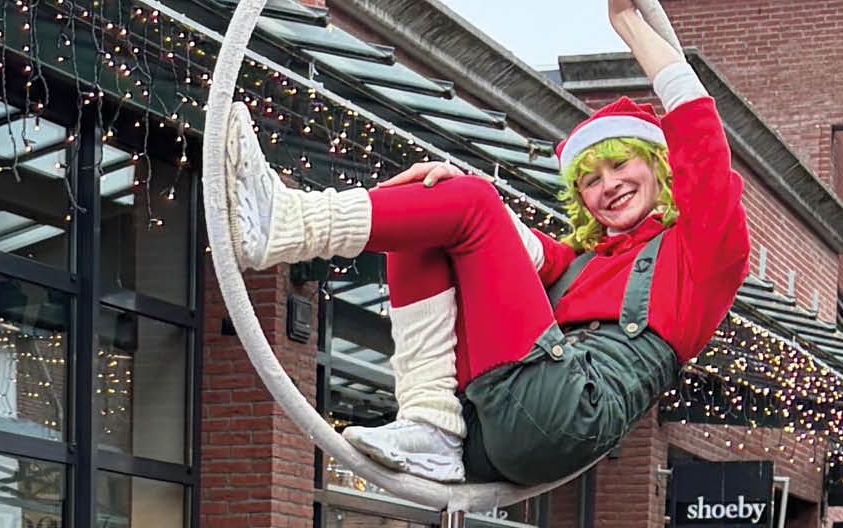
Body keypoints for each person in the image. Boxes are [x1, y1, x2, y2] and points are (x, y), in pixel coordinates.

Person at [220, 0, 749, 485]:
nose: (608, 186)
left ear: (658, 164)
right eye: (590, 179)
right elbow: (502, 242)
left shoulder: (700, 253)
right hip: (487, 433)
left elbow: (698, 136)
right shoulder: (579, 263)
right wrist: (446, 187)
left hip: (569, 410)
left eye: (619, 166)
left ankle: (289, 223)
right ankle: (430, 425)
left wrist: (629, 25)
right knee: (429, 226)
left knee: (472, 203)